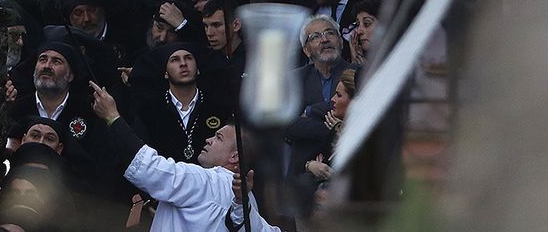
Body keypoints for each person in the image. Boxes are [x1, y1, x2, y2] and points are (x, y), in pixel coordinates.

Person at [89, 84, 282, 232]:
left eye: (218, 137)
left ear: (235, 156)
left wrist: (112, 116)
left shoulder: (206, 180)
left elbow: (148, 167)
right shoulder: (248, 201)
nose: (208, 139)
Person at [296, 15, 352, 109]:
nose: (325, 40)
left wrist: (309, 111)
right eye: (315, 37)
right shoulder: (297, 79)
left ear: (341, 42)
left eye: (330, 33)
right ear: (306, 50)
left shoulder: (356, 73)